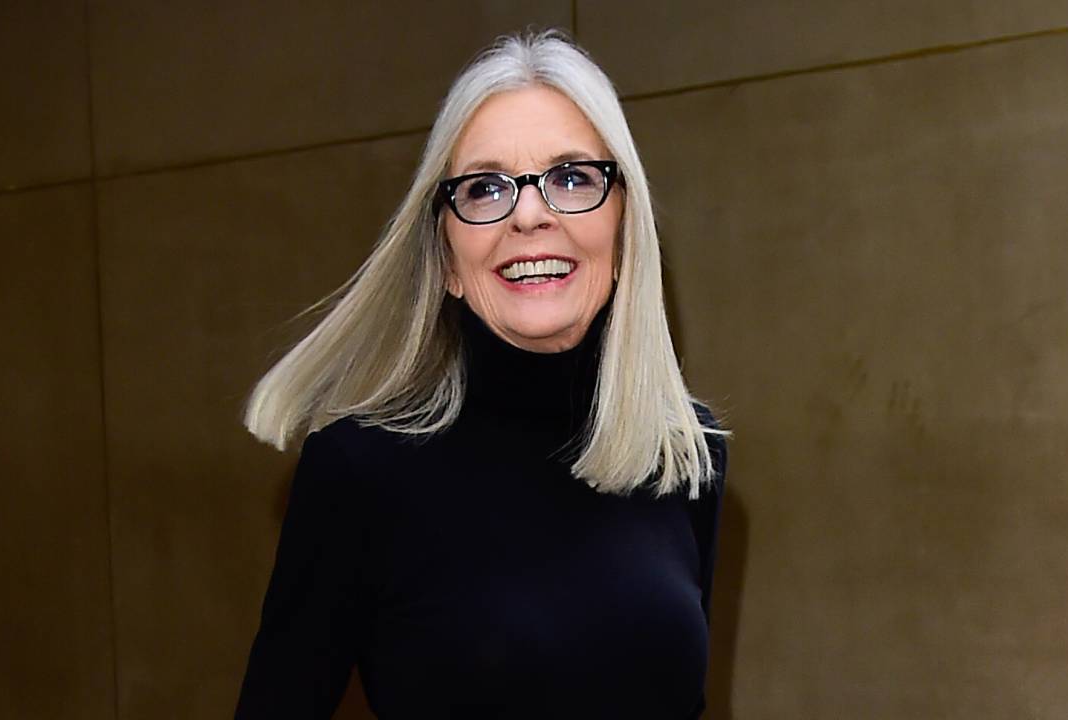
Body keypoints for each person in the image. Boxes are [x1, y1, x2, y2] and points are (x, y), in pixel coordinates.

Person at [234, 28, 731, 719]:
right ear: (446, 257)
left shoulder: (685, 453)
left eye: (572, 178)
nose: (529, 215)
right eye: (486, 188)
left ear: (624, 232)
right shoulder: (358, 473)